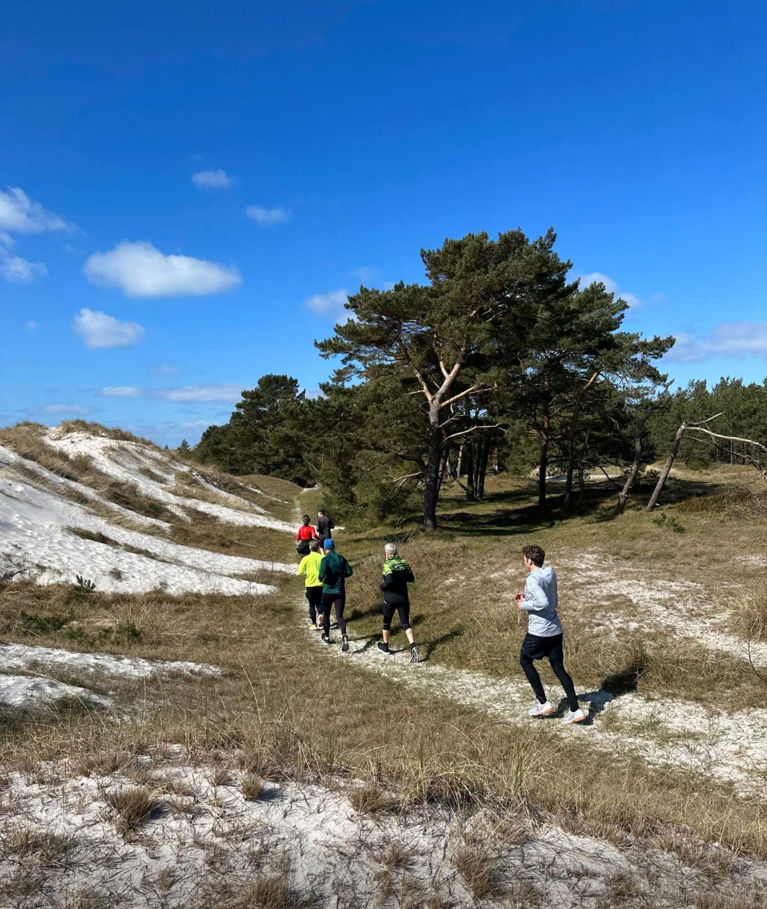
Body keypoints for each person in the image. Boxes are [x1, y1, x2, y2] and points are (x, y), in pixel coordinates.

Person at [515, 544, 586, 724]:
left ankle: (542, 703)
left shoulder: (532, 579)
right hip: (555, 629)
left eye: (524, 559)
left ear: (529, 561)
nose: (523, 562)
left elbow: (543, 602)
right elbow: (545, 596)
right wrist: (528, 596)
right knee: (558, 668)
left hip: (539, 631)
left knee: (524, 660)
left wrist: (524, 605)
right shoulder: (550, 573)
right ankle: (575, 709)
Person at [377, 543, 419, 663]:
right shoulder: (404, 562)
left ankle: (385, 646)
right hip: (403, 598)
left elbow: (389, 581)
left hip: (390, 598)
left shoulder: (387, 564)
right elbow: (411, 578)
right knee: (405, 623)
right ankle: (413, 645)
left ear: (386, 553)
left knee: (386, 622)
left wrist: (383, 587)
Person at [318, 539, 353, 651]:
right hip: (340, 591)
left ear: (325, 548)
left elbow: (321, 575)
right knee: (339, 616)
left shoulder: (325, 559)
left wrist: (322, 578)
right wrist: (340, 576)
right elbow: (349, 572)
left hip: (328, 591)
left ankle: (327, 636)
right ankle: (343, 635)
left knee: (326, 614)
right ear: (333, 547)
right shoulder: (341, 558)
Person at [297, 540, 324, 630]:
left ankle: (313, 624)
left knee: (311, 604)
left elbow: (300, 572)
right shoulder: (321, 558)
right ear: (317, 548)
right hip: (320, 583)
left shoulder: (306, 558)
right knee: (319, 601)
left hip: (310, 584)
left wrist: (307, 572)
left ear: (309, 548)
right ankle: (321, 614)